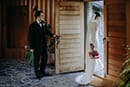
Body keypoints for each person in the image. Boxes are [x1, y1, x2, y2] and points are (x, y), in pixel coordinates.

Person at [28, 7, 57, 79]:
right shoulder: (32, 26)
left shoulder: (43, 24)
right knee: (37, 60)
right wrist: (31, 47)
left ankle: (42, 71)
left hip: (43, 45)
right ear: (38, 17)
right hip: (36, 46)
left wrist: (53, 35)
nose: (43, 17)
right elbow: (30, 37)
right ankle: (37, 74)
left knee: (45, 58)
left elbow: (47, 31)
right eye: (42, 15)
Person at [75, 12, 101, 85]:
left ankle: (89, 74)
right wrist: (93, 45)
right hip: (94, 43)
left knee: (91, 59)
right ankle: (90, 75)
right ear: (97, 17)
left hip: (90, 43)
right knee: (93, 59)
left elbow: (90, 34)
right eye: (99, 17)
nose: (99, 19)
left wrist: (91, 44)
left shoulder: (90, 23)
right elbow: (93, 34)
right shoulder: (95, 23)